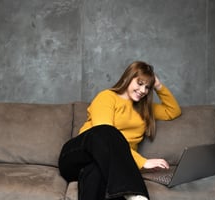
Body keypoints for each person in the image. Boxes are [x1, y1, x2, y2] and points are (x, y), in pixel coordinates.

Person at [58, 61, 181, 200]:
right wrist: (143, 162)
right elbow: (103, 137)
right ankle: (135, 193)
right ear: (127, 78)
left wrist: (158, 86)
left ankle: (129, 192)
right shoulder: (107, 97)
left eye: (147, 87)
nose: (143, 91)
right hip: (77, 155)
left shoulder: (145, 108)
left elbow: (173, 111)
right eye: (140, 83)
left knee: (95, 173)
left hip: (100, 164)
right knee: (107, 131)